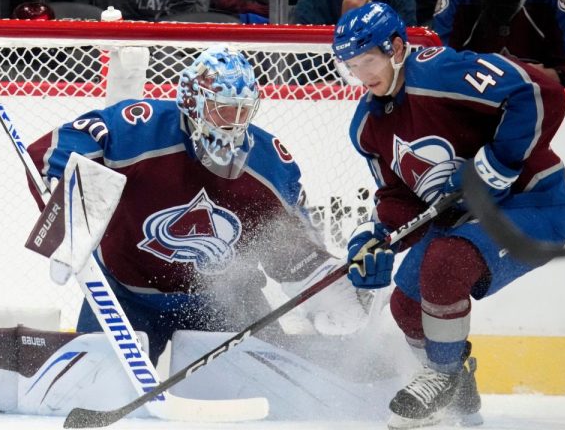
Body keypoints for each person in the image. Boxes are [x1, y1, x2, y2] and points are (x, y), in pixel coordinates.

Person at [26, 45, 370, 365]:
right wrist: (66, 217)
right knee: (92, 387)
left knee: (271, 389)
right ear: (193, 103)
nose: (234, 123)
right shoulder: (138, 128)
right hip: (127, 294)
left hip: (225, 299)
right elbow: (44, 157)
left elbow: (291, 246)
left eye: (242, 110)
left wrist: (326, 285)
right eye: (223, 109)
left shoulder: (267, 162)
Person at [332, 2, 565, 429]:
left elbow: (538, 93)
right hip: (464, 222)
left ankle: (440, 376)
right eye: (352, 65)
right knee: (406, 304)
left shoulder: (442, 73)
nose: (361, 75)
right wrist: (378, 236)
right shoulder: (367, 127)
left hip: (531, 205)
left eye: (367, 61)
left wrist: (495, 166)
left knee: (444, 263)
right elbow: (399, 195)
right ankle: (458, 389)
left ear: (397, 48)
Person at [432, 0, 565, 86]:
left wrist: (551, 74)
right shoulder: (456, 1)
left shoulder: (550, 1)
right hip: (472, 101)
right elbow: (438, 66)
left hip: (535, 96)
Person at [295, 0, 417, 27]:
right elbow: (308, 87)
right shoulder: (310, 5)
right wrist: (347, 26)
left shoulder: (400, 1)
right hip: (339, 90)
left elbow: (406, 72)